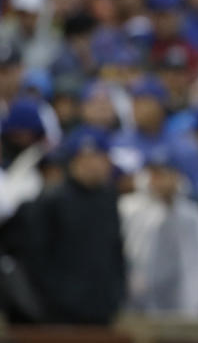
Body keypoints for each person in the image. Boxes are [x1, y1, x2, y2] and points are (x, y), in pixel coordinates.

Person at [22, 125, 126, 324]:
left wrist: (116, 293)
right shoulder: (51, 200)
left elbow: (115, 251)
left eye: (102, 158)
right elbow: (36, 257)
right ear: (76, 161)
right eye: (90, 158)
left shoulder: (108, 199)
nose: (99, 165)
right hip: (58, 312)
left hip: (102, 309)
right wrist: (53, 298)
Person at [119, 146, 198, 317]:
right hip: (136, 298)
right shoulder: (128, 209)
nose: (162, 180)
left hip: (184, 301)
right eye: (156, 173)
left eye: (167, 173)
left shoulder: (193, 215)